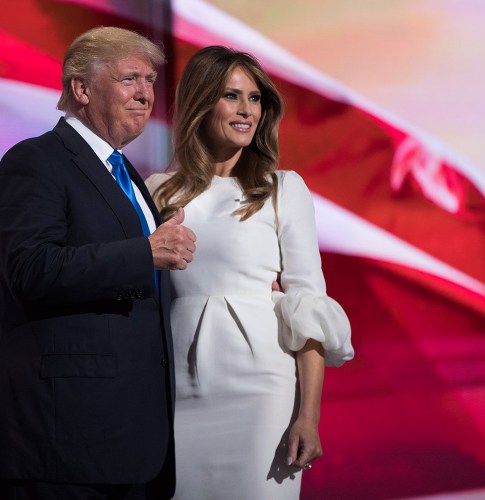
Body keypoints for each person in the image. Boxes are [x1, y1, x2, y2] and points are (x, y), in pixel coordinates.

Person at [0, 26, 196, 500]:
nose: (145, 94)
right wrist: (145, 252)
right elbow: (31, 270)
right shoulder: (35, 161)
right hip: (60, 438)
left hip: (128, 440)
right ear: (81, 89)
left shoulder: (125, 174)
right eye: (129, 79)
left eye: (151, 81)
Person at [145, 46, 354, 499]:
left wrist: (308, 416)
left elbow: (308, 305)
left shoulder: (283, 189)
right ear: (201, 102)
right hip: (177, 390)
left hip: (262, 393)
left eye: (255, 98)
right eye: (231, 96)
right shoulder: (158, 191)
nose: (246, 111)